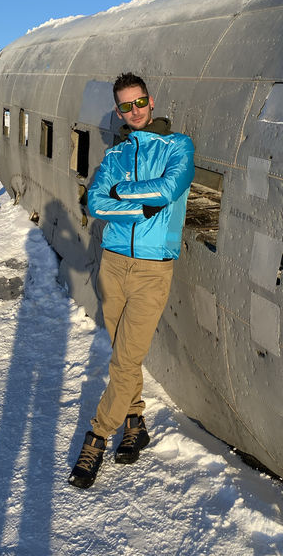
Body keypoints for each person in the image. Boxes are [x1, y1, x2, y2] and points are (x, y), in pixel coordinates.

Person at [68, 72, 194, 488]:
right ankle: (135, 422)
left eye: (139, 103)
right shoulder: (116, 155)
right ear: (119, 109)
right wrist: (135, 205)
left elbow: (168, 190)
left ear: (151, 101)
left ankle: (97, 437)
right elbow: (97, 203)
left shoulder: (178, 146)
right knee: (123, 353)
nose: (134, 111)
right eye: (125, 106)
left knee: (124, 358)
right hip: (114, 265)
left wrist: (122, 193)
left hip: (152, 270)